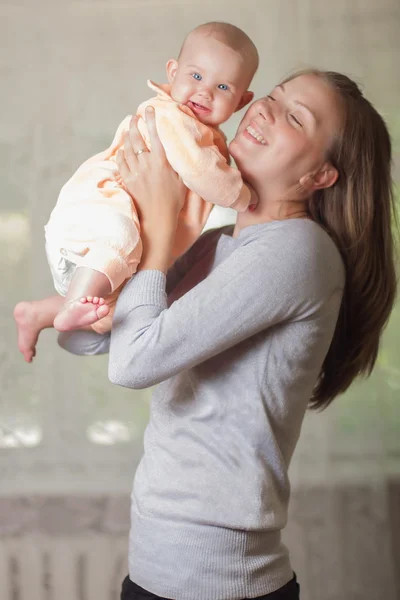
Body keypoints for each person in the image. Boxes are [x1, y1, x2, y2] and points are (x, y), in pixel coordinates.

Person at [58, 70, 398, 599]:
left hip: (218, 582)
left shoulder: (298, 251)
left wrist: (160, 217)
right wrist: (105, 252)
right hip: (155, 566)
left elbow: (132, 365)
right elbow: (98, 339)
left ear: (320, 176)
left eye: (295, 117)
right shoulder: (218, 243)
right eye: (274, 95)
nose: (265, 108)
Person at [14, 22, 259, 361]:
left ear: (242, 101)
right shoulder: (173, 116)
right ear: (173, 72)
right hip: (101, 208)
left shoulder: (206, 135)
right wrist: (245, 196)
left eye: (222, 86)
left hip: (110, 243)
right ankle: (72, 305)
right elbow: (203, 173)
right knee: (121, 238)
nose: (205, 93)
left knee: (117, 310)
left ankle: (39, 313)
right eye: (196, 77)